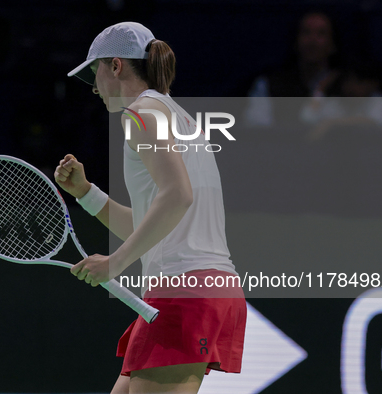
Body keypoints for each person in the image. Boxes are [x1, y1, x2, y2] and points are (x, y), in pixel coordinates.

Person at [54, 22, 246, 393]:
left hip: (184, 290)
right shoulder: (178, 116)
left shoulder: (140, 113)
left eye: (95, 74)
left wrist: (114, 263)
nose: (94, 88)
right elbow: (157, 222)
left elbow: (178, 196)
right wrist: (86, 192)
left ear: (116, 66)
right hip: (204, 288)